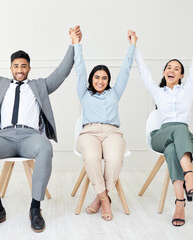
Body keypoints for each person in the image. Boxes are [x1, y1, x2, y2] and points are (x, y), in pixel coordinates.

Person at [0, 21, 81, 233]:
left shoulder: (39, 86)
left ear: (29, 68)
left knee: (45, 147)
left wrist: (73, 44)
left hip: (30, 137)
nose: (20, 70)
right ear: (11, 68)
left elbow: (62, 71)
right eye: (16, 66)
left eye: (23, 66)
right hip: (4, 137)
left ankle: (35, 209)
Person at [134, 12, 193, 227]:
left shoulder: (188, 89)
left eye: (176, 69)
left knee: (172, 148)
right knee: (177, 131)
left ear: (181, 76)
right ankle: (189, 175)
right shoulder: (158, 92)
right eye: (169, 67)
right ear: (165, 72)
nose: (172, 70)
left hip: (181, 139)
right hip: (161, 135)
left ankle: (179, 202)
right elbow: (143, 72)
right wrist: (134, 46)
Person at [73, 27, 136, 221]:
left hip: (112, 133)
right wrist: (77, 44)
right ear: (92, 79)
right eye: (97, 77)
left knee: (115, 160)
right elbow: (80, 68)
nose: (100, 80)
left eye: (104, 78)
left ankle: (99, 199)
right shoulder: (84, 93)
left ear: (108, 80)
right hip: (89, 133)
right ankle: (105, 199)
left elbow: (126, 69)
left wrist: (132, 46)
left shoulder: (114, 93)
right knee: (91, 159)